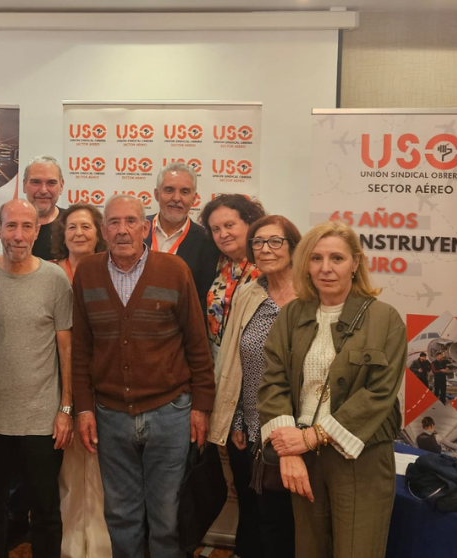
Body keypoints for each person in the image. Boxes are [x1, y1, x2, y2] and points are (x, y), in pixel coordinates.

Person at [72, 195, 215, 558]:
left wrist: (201, 406)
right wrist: (84, 408)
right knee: (121, 515)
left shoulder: (174, 270)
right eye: (114, 223)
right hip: (110, 415)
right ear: (104, 231)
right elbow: (81, 348)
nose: (122, 230)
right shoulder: (87, 272)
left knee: (167, 517)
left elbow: (197, 343)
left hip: (170, 412)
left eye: (131, 222)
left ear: (145, 227)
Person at [257, 220, 407, 558]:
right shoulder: (291, 315)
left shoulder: (385, 319)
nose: (326, 268)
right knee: (309, 549)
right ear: (306, 265)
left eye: (337, 258)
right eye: (316, 258)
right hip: (303, 457)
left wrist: (313, 436)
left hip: (360, 459)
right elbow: (273, 382)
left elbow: (379, 393)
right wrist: (289, 450)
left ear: (355, 263)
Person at [0, 199, 74, 558]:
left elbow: (66, 347)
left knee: (45, 510)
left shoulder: (55, 279)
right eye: (11, 226)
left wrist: (66, 408)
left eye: (26, 226)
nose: (18, 235)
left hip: (41, 420)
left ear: (37, 231)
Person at [208, 215, 302, 558]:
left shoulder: (312, 295)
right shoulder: (249, 293)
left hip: (299, 431)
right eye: (258, 242)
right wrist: (237, 421)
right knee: (252, 516)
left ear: (294, 247)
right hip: (250, 429)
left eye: (276, 241)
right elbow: (234, 362)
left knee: (285, 521)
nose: (266, 249)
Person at [50, 204, 112, 558]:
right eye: (71, 226)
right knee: (69, 472)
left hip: (102, 382)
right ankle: (71, 546)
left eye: (86, 226)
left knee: (103, 471)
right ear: (62, 233)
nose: (78, 233)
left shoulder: (111, 270)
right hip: (57, 383)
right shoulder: (50, 272)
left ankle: (102, 546)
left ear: (99, 232)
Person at [143, 162, 220, 318]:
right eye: (169, 190)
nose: (176, 198)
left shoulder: (207, 241)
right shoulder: (137, 230)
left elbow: (202, 300)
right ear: (156, 194)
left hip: (178, 328)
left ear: (194, 198)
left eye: (184, 192)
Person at [199, 193, 266, 357]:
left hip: (254, 359)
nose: (223, 234)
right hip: (216, 357)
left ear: (249, 223)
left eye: (229, 225)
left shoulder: (267, 262)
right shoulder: (218, 262)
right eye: (216, 229)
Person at [23, 155, 65, 260]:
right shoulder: (6, 226)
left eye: (51, 183)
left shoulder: (72, 225)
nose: (43, 190)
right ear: (24, 185)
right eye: (36, 182)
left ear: (61, 186)